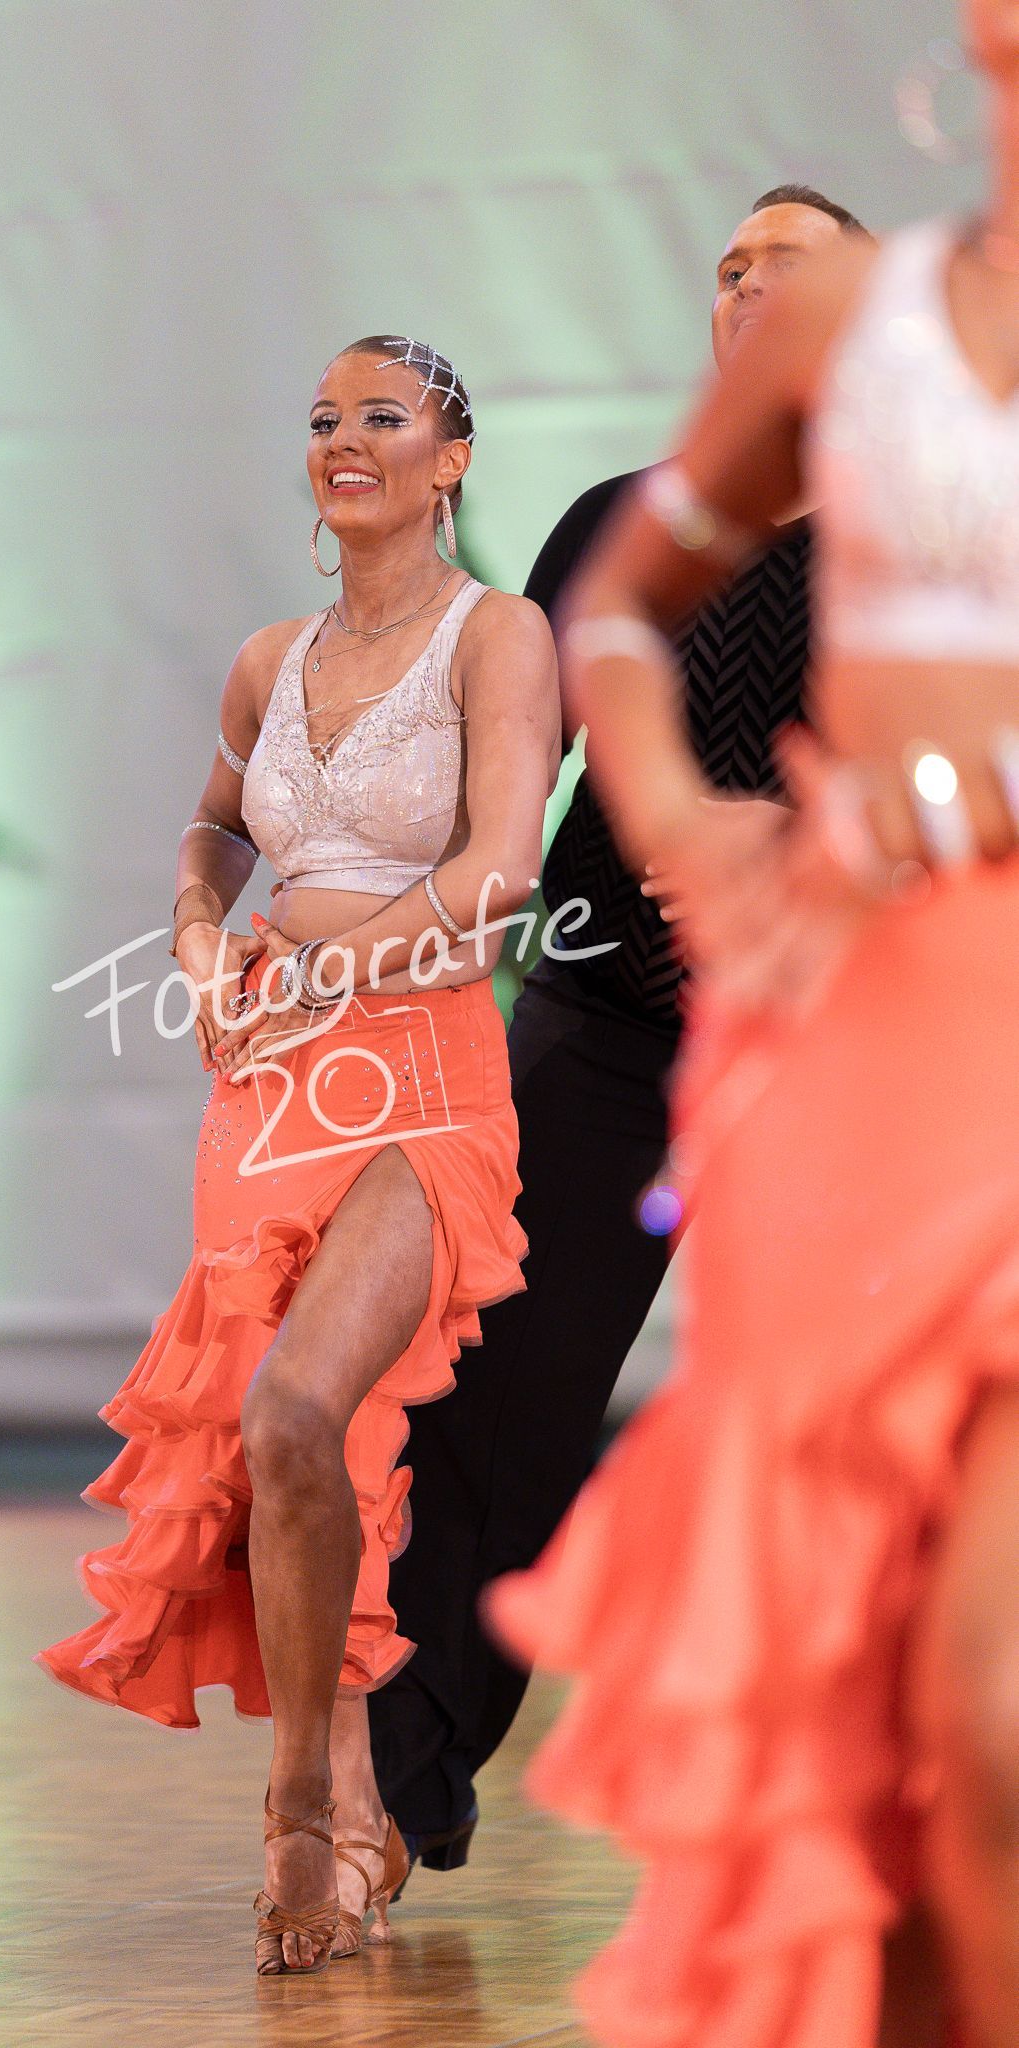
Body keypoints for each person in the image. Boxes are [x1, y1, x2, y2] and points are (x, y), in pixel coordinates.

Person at [490, 5, 1019, 2043]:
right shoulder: (844, 327)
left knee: (989, 1704)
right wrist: (676, 820)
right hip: (859, 1042)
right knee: (850, 1682)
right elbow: (616, 610)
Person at [37, 335, 560, 1975]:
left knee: (296, 1409)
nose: (346, 438)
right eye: (324, 418)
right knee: (278, 1456)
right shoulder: (270, 657)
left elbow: (500, 869)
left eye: (382, 416)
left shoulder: (498, 634)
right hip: (264, 1086)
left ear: (449, 459)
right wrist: (201, 931)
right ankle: (338, 1790)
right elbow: (214, 825)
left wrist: (332, 964)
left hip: (416, 1078)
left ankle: (293, 1806)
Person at [368, 184, 871, 1874]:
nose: (746, 286)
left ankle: (864, 1822)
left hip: (832, 1045)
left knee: (850, 1429)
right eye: (726, 267)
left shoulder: (930, 531)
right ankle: (397, 1787)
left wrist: (811, 854)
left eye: (787, 263)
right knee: (486, 1393)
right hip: (604, 1022)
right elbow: (513, 787)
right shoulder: (623, 523)